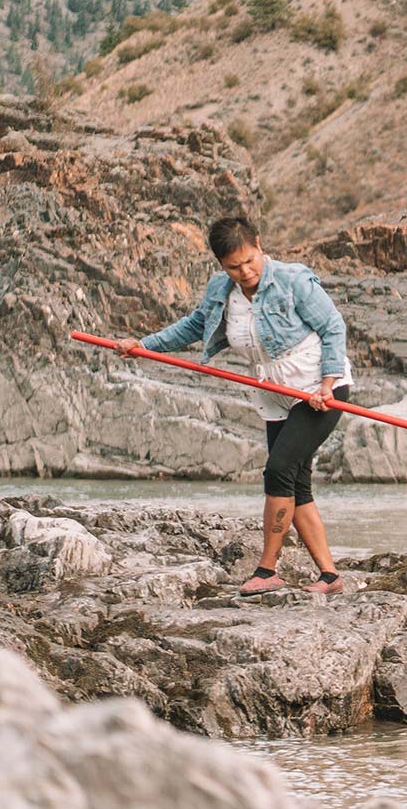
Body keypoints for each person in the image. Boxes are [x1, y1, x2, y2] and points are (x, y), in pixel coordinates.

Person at [112, 216, 354, 596]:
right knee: (296, 482)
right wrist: (144, 344)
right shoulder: (221, 290)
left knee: (278, 470)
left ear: (259, 245)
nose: (244, 272)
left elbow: (333, 328)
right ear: (220, 264)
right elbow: (195, 326)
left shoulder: (293, 279)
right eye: (233, 266)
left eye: (249, 261)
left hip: (319, 390)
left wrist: (326, 384)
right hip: (273, 392)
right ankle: (329, 577)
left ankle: (267, 569)